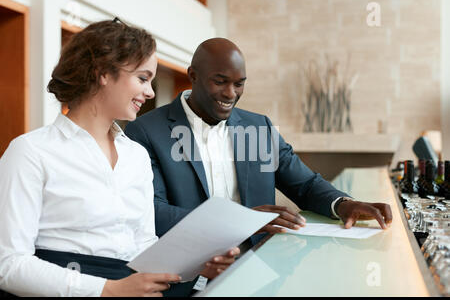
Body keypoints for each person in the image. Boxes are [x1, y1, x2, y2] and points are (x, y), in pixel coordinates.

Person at [0, 21, 238, 297]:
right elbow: (8, 264)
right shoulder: (30, 152)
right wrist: (108, 290)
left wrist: (196, 266)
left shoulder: (135, 155)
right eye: (142, 78)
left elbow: (143, 247)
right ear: (103, 73)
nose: (150, 92)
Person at [124, 38, 393, 245]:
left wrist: (344, 204)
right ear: (193, 76)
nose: (230, 93)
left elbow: (305, 184)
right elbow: (154, 212)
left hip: (260, 261)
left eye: (239, 84)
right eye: (220, 82)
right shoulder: (146, 131)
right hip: (192, 273)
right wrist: (242, 221)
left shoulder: (259, 127)